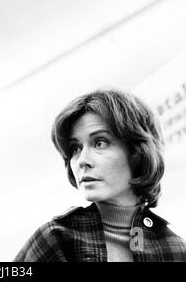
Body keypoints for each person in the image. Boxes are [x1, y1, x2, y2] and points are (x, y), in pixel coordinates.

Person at [15, 88, 186, 262]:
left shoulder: (175, 249)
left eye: (100, 143)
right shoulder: (56, 240)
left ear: (137, 152)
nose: (82, 160)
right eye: (76, 148)